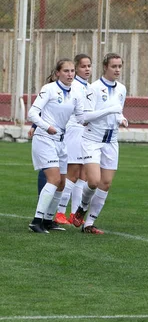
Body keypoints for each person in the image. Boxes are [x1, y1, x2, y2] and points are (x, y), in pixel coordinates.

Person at [71, 53, 128, 234]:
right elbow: (85, 117)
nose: (117, 70)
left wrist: (121, 118)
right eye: (114, 66)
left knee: (106, 183)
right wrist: (110, 110)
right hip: (92, 140)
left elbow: (118, 112)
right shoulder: (93, 88)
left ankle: (89, 223)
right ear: (105, 67)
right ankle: (82, 207)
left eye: (119, 66)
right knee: (94, 181)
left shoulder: (121, 89)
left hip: (111, 140)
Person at [27, 59, 84, 233]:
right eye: (66, 71)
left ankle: (48, 220)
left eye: (72, 71)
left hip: (61, 141)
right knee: (53, 179)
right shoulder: (49, 89)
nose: (70, 74)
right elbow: (32, 113)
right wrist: (46, 127)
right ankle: (36, 221)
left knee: (61, 184)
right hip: (44, 138)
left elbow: (82, 117)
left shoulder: (76, 92)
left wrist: (110, 116)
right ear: (57, 73)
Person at [54, 54, 93, 225]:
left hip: (87, 132)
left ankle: (74, 213)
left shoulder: (89, 87)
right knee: (73, 172)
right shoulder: (74, 86)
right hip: (74, 131)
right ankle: (60, 212)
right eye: (84, 66)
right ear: (76, 68)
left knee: (83, 174)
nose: (87, 69)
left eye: (89, 66)